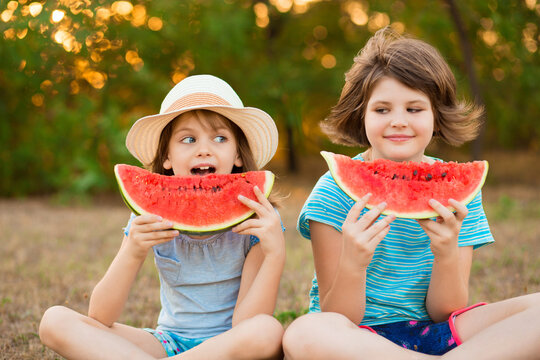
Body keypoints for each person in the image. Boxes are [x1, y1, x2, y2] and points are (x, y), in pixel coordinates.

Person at [283, 27, 540, 359]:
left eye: (414, 109)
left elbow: (445, 312)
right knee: (305, 332)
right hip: (357, 339)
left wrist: (446, 251)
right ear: (361, 116)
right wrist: (353, 262)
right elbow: (338, 317)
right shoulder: (333, 191)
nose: (399, 121)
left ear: (437, 115)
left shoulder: (458, 196)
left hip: (436, 333)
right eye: (382, 109)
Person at [39, 75, 286, 360]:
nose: (204, 149)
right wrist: (133, 251)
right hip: (167, 344)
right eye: (188, 139)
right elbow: (100, 316)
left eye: (220, 137)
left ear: (239, 154)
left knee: (266, 331)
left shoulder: (257, 220)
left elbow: (246, 326)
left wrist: (275, 254)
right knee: (54, 321)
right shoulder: (150, 217)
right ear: (166, 157)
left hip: (229, 346)